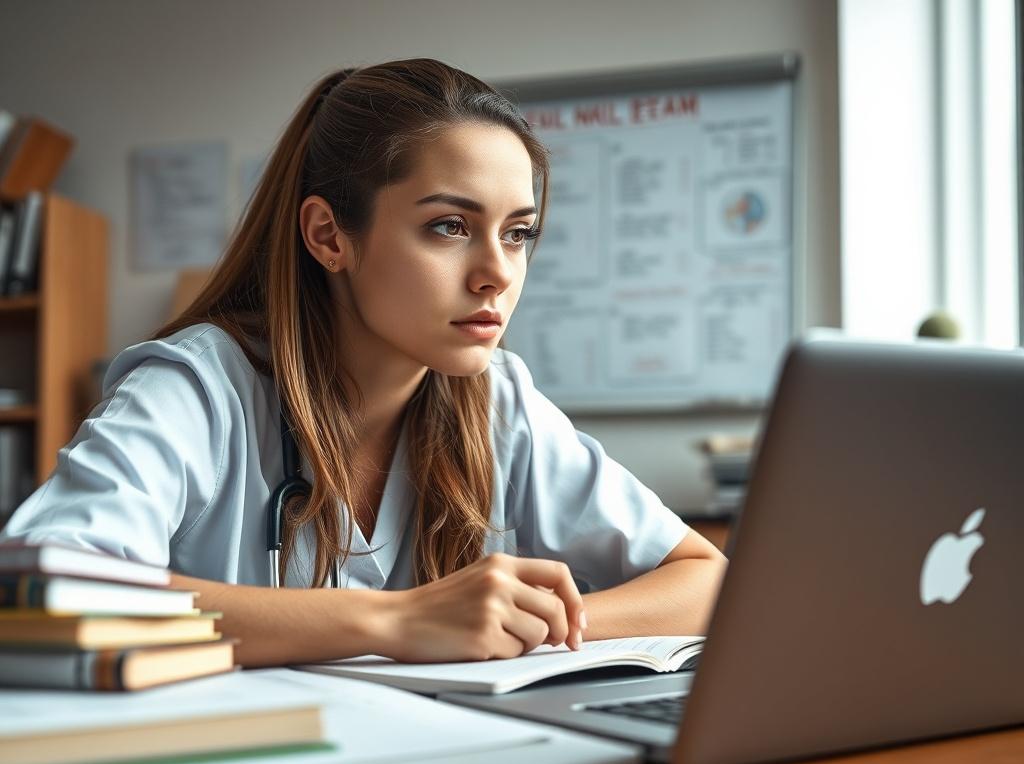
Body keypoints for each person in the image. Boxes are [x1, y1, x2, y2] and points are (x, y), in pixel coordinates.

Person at [1, 59, 727, 667]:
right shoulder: (200, 386)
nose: (497, 274)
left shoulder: (498, 399)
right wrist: (393, 621)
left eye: (518, 233)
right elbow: (42, 595)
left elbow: (704, 579)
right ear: (328, 236)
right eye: (450, 226)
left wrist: (520, 626)